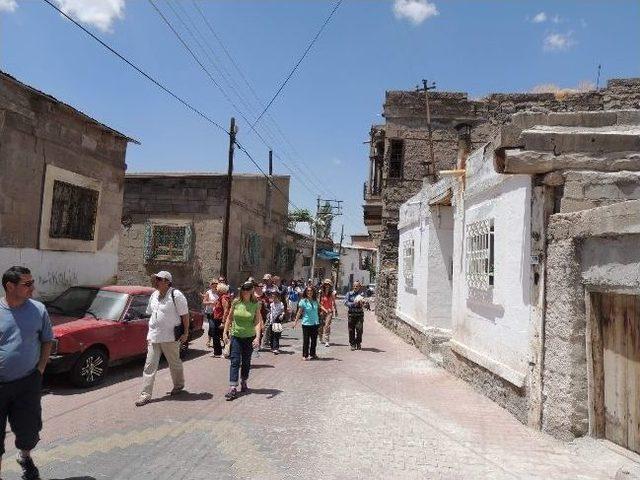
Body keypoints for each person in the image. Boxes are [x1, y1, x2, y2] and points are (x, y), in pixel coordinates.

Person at [0, 266, 53, 480]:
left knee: (29, 430)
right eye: (27, 284)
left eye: (33, 282)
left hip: (27, 383)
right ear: (10, 286)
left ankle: (25, 457)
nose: (33, 287)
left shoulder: (38, 310)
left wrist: (40, 369)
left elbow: (47, 340)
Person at [135, 271, 189, 407]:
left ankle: (178, 385)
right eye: (155, 279)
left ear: (167, 281)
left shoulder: (176, 295)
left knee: (174, 363)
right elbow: (151, 313)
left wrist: (186, 332)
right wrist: (149, 333)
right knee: (149, 365)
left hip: (170, 337)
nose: (156, 281)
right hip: (154, 336)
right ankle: (145, 395)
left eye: (159, 279)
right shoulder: (154, 295)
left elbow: (185, 315)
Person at [223, 282, 263, 400]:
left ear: (251, 290)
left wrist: (257, 337)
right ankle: (233, 388)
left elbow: (257, 322)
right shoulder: (236, 302)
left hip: (249, 336)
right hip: (236, 335)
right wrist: (225, 332)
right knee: (234, 361)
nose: (245, 291)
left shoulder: (255, 304)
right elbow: (230, 318)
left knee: (246, 361)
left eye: (247, 289)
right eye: (243, 289)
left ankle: (244, 380)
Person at [293, 286, 320, 360]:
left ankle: (313, 354)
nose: (309, 292)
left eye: (311, 291)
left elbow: (318, 310)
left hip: (315, 323)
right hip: (306, 323)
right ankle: (305, 355)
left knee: (314, 340)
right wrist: (295, 321)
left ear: (313, 292)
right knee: (306, 340)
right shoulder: (303, 301)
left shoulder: (315, 300)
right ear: (305, 292)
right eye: (308, 291)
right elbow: (299, 312)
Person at [210, 283, 231, 358]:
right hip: (217, 319)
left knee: (224, 336)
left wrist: (223, 322)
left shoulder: (224, 298)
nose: (216, 290)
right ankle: (217, 352)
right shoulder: (220, 297)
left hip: (221, 320)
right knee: (216, 335)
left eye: (217, 289)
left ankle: (227, 352)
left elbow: (226, 310)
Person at [345, 281, 365, 350]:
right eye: (355, 286)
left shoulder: (361, 294)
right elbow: (346, 302)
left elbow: (364, 303)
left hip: (359, 315)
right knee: (351, 330)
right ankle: (352, 344)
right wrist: (353, 303)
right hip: (351, 314)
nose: (356, 287)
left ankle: (358, 342)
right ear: (353, 286)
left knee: (359, 330)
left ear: (359, 287)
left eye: (357, 286)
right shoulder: (349, 294)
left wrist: (363, 303)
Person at [318, 279, 337, 348]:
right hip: (322, 311)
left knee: (327, 326)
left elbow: (334, 302)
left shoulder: (332, 293)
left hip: (329, 311)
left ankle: (326, 340)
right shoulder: (321, 293)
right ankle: (320, 337)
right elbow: (319, 304)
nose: (327, 285)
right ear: (324, 285)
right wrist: (324, 310)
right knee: (320, 326)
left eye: (328, 284)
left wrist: (336, 310)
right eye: (326, 284)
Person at [201, 279, 219, 348]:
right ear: (211, 286)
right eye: (213, 285)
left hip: (217, 312)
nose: (215, 287)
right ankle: (209, 340)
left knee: (215, 327)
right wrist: (211, 302)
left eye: (216, 285)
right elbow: (204, 302)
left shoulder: (219, 292)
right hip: (210, 312)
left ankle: (213, 341)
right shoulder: (208, 292)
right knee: (212, 326)